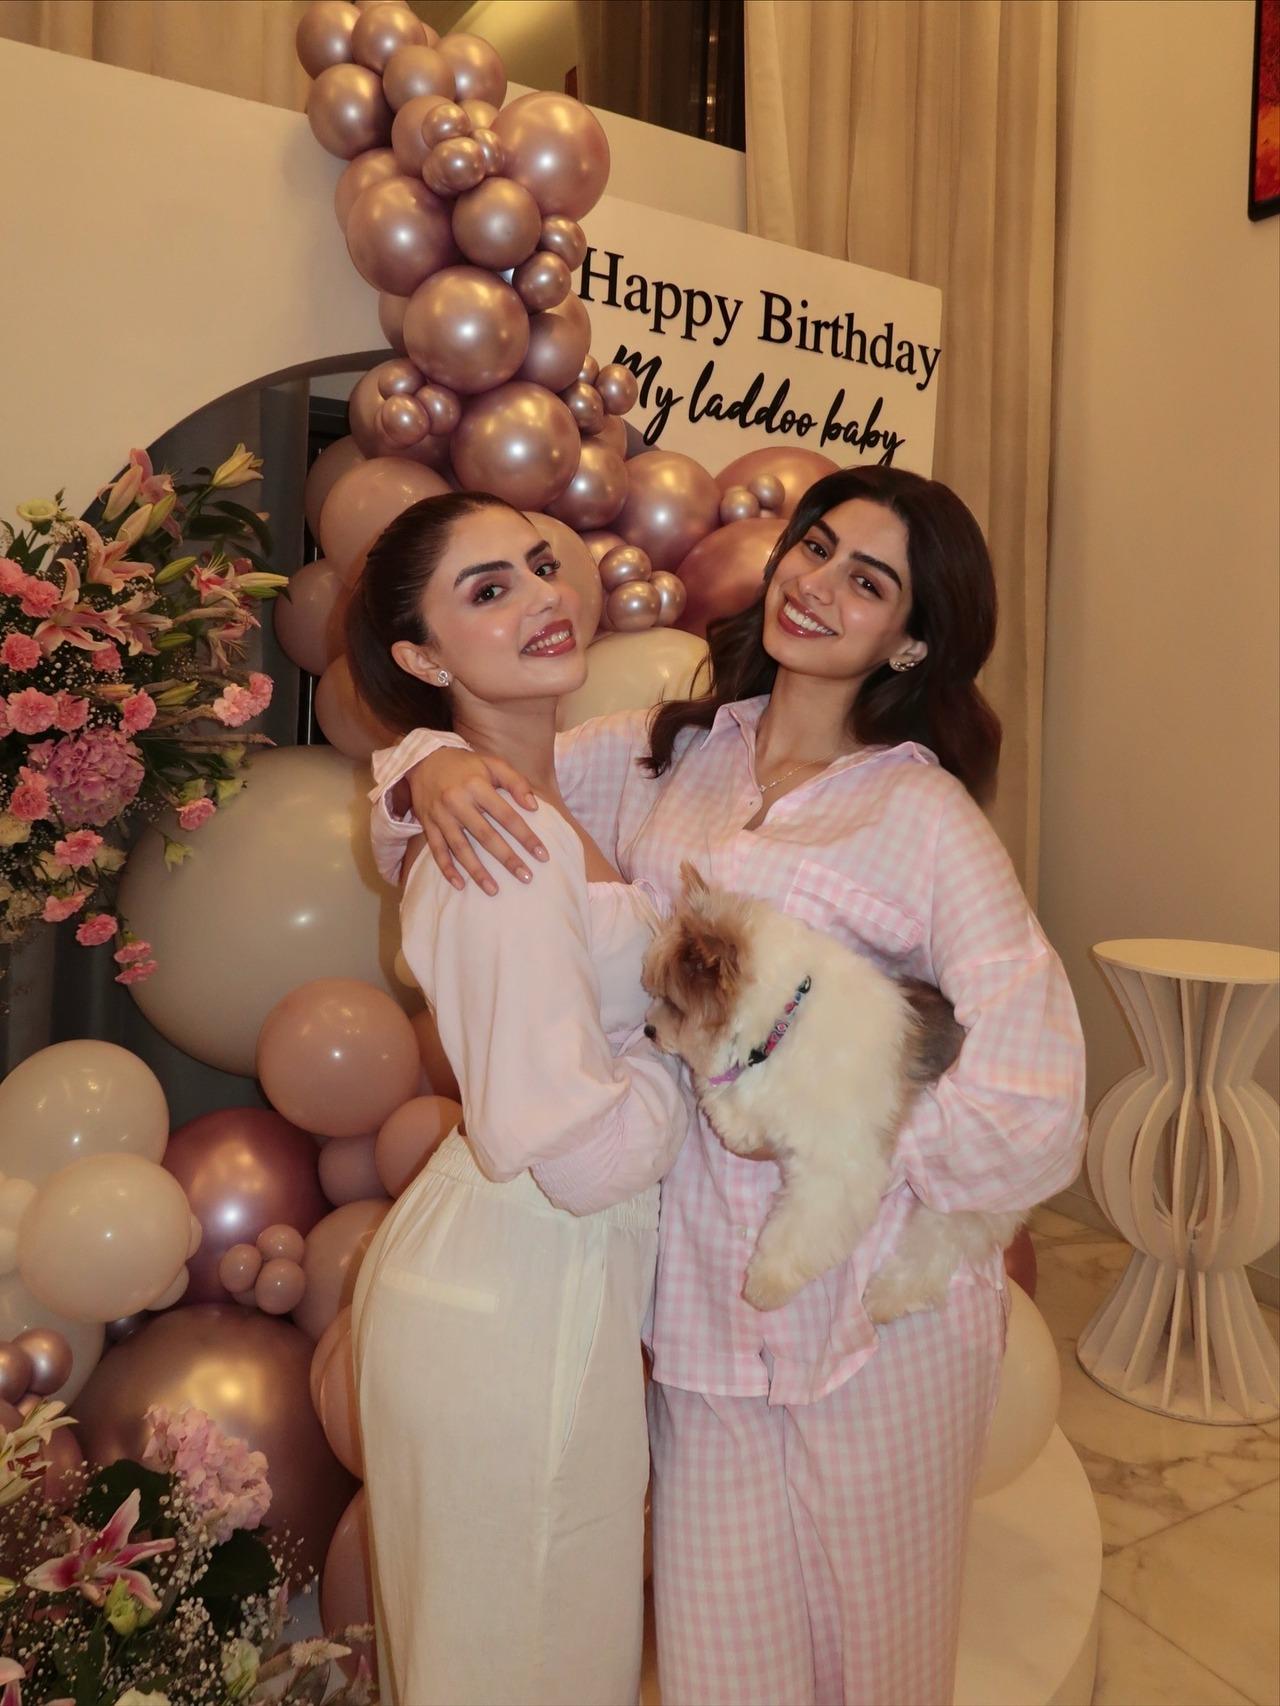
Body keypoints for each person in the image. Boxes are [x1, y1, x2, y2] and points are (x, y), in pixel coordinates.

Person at [373, 465, 1087, 1706]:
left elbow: (1034, 1099)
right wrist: (420, 771)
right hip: (699, 1313)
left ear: (908, 636)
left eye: (867, 581)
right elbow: (496, 783)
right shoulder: (671, 753)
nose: (816, 583)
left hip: (875, 1318)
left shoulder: (924, 820)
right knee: (720, 1671)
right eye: (814, 547)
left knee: (875, 1664)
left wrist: (832, 1125)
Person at [345, 492, 691, 1706]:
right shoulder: (505, 836)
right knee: (523, 1660)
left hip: (540, 1284)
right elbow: (574, 1152)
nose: (542, 595)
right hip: (513, 1292)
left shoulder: (534, 796)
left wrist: (417, 763)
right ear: (421, 656)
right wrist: (684, 1056)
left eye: (540, 565)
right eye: (486, 589)